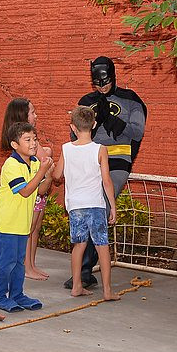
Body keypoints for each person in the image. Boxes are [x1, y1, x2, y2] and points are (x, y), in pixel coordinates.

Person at [65, 56, 147, 289]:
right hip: (89, 161)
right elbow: (74, 134)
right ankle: (83, 272)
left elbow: (137, 133)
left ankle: (84, 272)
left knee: (97, 206)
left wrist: (113, 121)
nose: (102, 87)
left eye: (106, 81)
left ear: (113, 76)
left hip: (117, 162)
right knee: (87, 209)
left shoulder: (131, 99)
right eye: (97, 83)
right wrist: (94, 124)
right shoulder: (86, 101)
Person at [52, 106, 120, 300]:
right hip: (95, 204)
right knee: (102, 246)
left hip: (75, 205)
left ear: (72, 127)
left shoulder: (66, 148)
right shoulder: (100, 149)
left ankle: (76, 286)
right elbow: (106, 181)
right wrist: (112, 206)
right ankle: (107, 291)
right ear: (94, 124)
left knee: (79, 245)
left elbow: (57, 175)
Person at [0, 121, 53, 312]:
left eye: (35, 139)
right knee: (7, 262)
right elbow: (25, 191)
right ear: (15, 145)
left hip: (22, 222)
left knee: (19, 262)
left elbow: (40, 190)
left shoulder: (34, 163)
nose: (33, 143)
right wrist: (42, 172)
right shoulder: (11, 165)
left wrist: (48, 175)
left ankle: (17, 294)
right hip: (8, 222)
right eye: (27, 140)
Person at [0, 98, 53, 281]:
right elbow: (45, 158)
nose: (35, 115)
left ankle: (31, 264)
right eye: (32, 112)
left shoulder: (29, 143)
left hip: (38, 191)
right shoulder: (22, 149)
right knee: (29, 230)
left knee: (34, 229)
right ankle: (26, 267)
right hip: (30, 194)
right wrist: (47, 155)